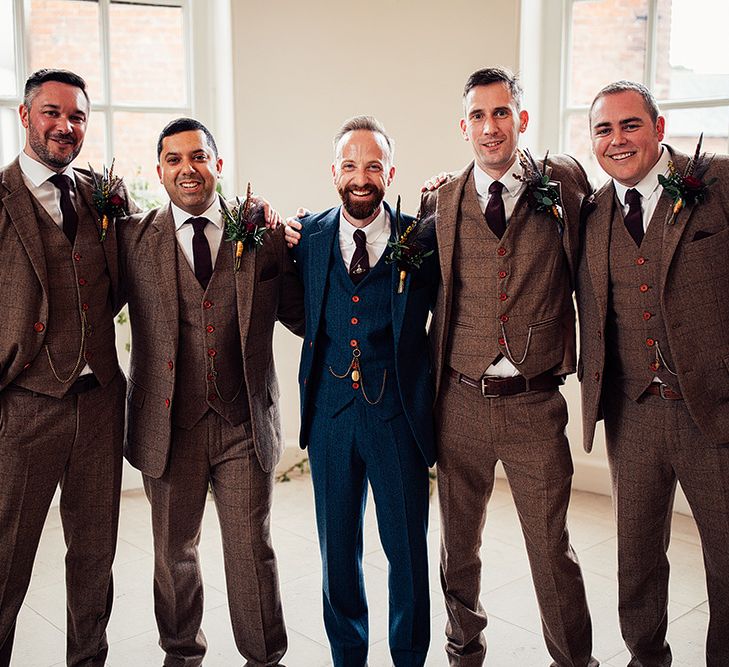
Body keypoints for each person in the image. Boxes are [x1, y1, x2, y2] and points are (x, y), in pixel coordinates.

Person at [421, 67, 598, 666]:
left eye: (502, 113)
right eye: (478, 115)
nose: (490, 127)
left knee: (551, 545)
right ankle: (463, 648)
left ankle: (574, 658)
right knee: (458, 547)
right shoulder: (441, 200)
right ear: (463, 125)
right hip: (460, 400)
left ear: (521, 119)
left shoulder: (565, 182)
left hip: (533, 401)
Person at [117, 117, 304, 666]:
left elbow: (299, 310)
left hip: (242, 421)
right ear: (160, 171)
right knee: (173, 553)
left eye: (198, 157)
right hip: (166, 424)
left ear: (218, 165)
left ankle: (265, 656)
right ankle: (181, 653)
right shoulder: (134, 239)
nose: (187, 169)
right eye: (173, 160)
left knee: (251, 550)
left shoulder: (262, 233)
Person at [577, 80, 729, 667]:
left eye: (630, 125)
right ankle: (646, 657)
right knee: (636, 557)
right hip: (631, 411)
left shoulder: (715, 182)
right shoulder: (592, 214)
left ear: (658, 129)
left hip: (712, 410)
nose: (617, 139)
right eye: (603, 129)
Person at [287, 115, 438, 667]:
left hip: (396, 414)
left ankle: (408, 656)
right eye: (350, 165)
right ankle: (348, 654)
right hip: (329, 414)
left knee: (406, 551)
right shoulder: (309, 236)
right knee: (337, 553)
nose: (361, 177)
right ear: (334, 172)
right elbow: (285, 302)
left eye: (373, 166)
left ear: (389, 171)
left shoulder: (419, 239)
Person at [0, 68, 137, 666]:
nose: (65, 125)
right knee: (6, 559)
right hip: (26, 402)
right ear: (25, 117)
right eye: (52, 113)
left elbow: (140, 272)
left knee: (93, 556)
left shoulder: (104, 195)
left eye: (77, 116)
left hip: (101, 399)